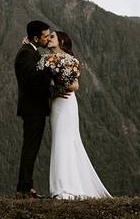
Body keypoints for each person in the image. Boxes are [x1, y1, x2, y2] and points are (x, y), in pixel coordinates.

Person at [43, 30, 111, 199]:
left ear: (61, 41)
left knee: (68, 140)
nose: (49, 38)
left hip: (67, 102)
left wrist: (59, 85)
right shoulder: (45, 59)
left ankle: (66, 187)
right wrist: (53, 89)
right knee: (59, 140)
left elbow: (75, 86)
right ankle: (65, 184)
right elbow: (40, 82)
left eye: (52, 36)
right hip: (56, 103)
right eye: (48, 36)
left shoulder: (70, 60)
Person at [14, 20, 64, 198]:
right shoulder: (25, 55)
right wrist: (52, 88)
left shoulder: (31, 51)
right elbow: (30, 83)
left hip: (35, 108)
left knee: (31, 148)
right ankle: (25, 188)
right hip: (32, 109)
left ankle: (25, 187)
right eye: (44, 36)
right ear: (35, 38)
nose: (47, 39)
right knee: (30, 148)